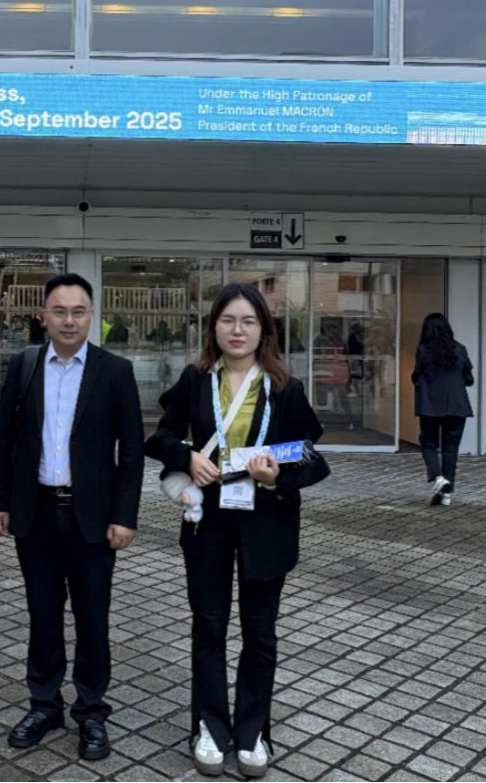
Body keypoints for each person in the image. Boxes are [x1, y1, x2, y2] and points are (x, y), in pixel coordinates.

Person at [145, 282, 325, 778]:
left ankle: (252, 733)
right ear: (214, 327)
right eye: (228, 320)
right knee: (209, 626)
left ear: (264, 329)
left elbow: (310, 455)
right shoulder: (196, 379)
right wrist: (187, 457)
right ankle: (208, 727)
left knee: (260, 632)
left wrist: (277, 476)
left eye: (248, 321)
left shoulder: (285, 387)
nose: (238, 330)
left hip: (266, 520)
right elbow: (160, 437)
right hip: (210, 520)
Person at [0, 273, 145, 761]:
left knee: (92, 618)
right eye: (59, 311)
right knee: (43, 615)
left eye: (78, 311)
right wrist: (0, 500)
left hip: (91, 518)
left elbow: (132, 452)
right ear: (44, 316)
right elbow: (3, 438)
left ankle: (92, 711)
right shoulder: (25, 366)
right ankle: (44, 705)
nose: (69, 320)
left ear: (91, 316)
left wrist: (124, 516)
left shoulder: (115, 371)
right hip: (34, 512)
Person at [411, 313, 474, 507]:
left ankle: (439, 478)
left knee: (428, 443)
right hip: (457, 404)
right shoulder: (460, 349)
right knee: (450, 448)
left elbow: (416, 376)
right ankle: (447, 494)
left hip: (430, 405)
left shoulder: (423, 351)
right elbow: (469, 379)